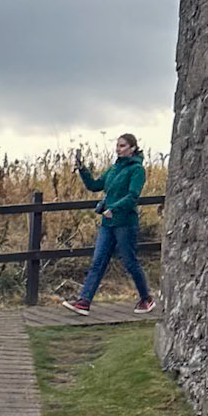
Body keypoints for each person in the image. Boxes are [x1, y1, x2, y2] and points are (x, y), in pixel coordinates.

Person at [61, 134, 155, 315]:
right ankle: (84, 302)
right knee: (98, 261)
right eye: (118, 146)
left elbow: (133, 196)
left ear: (133, 148)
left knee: (130, 262)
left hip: (125, 223)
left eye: (122, 146)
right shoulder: (114, 169)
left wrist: (114, 208)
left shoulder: (137, 170)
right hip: (108, 223)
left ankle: (146, 299)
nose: (118, 149)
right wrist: (83, 170)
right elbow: (95, 185)